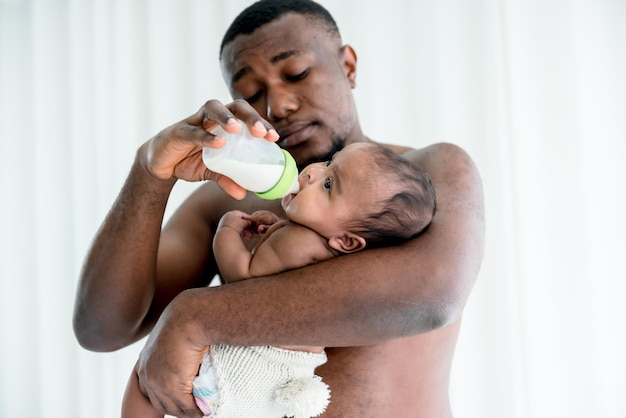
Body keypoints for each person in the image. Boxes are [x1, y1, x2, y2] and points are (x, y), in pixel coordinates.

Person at [73, 0, 485, 416]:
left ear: (349, 66)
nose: (278, 107)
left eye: (297, 74)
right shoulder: (226, 203)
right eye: (252, 93)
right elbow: (101, 329)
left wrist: (192, 316)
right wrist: (150, 174)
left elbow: (430, 296)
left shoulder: (432, 169)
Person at [121, 141, 437, 417]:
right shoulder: (327, 255)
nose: (313, 173)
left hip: (231, 374)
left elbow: (242, 276)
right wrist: (272, 228)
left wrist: (227, 230)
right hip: (270, 390)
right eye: (329, 164)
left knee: (144, 379)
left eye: (328, 185)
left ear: (347, 241)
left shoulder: (298, 241)